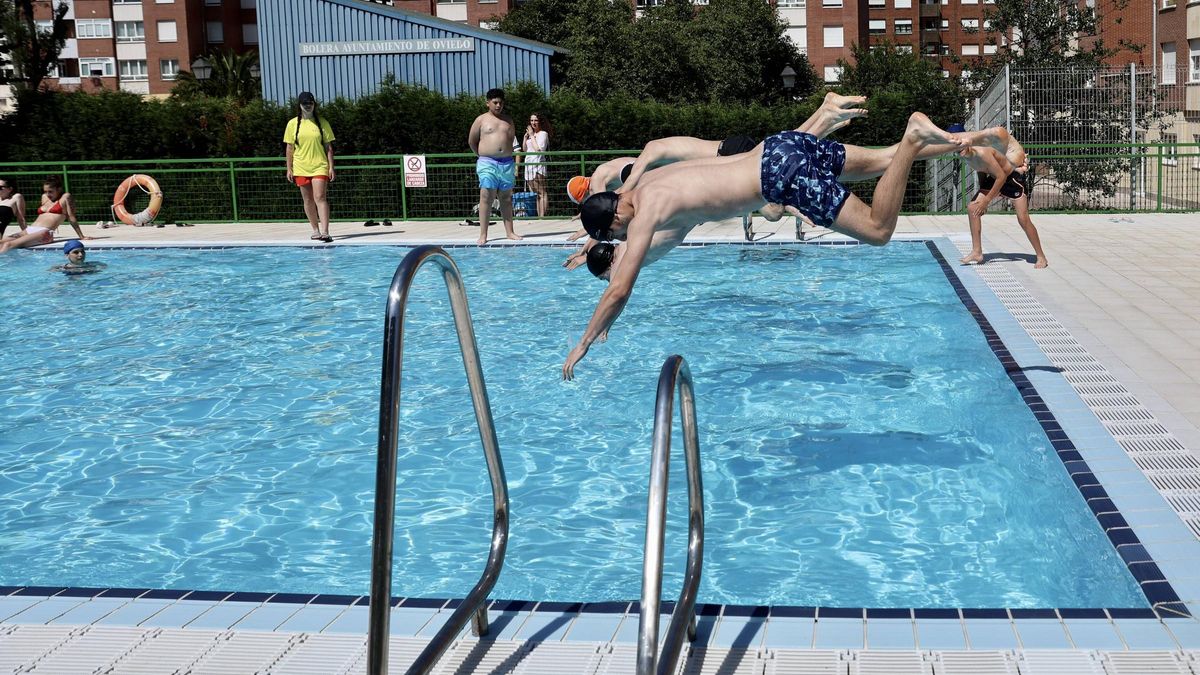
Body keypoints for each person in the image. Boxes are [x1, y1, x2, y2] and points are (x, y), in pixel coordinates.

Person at [561, 112, 960, 380]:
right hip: (781, 145)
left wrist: (585, 340)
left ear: (616, 219)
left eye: (615, 236)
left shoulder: (646, 213)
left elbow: (621, 287)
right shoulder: (646, 183)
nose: (621, 241)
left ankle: (913, 137)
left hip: (779, 174)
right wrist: (605, 307)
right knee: (880, 161)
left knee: (878, 230)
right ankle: (972, 143)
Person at [955, 140, 1048, 269]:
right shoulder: (967, 156)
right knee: (972, 208)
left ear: (968, 143)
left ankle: (1041, 256)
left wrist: (986, 201)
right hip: (994, 179)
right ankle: (977, 252)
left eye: (961, 146)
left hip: (1011, 179)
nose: (959, 150)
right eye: (956, 148)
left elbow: (1002, 177)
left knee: (1023, 219)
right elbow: (981, 171)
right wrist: (983, 193)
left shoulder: (983, 152)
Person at [468, 88, 522, 245]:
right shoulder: (481, 120)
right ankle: (483, 234)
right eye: (495, 102)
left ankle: (510, 232)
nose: (498, 105)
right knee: (486, 195)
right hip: (487, 162)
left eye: (501, 103)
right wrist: (481, 155)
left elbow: (510, 139)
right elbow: (472, 141)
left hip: (506, 163)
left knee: (506, 198)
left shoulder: (508, 120)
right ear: (488, 103)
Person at [284, 91, 336, 243]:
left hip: (320, 165)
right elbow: (289, 148)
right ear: (299, 105)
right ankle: (315, 229)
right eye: (305, 104)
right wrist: (289, 168)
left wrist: (331, 167)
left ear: (314, 104)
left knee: (320, 197)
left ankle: (325, 231)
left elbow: (328, 147)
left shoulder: (322, 122)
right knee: (307, 200)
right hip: (300, 166)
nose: (308, 106)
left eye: (310, 103)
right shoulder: (292, 124)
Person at [0, 176, 91, 254]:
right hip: (30, 230)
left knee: (8, 245)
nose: (47, 194)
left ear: (58, 189)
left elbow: (71, 217)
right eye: (45, 191)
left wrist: (81, 236)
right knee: (1, 242)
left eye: (50, 191)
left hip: (45, 233)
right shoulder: (44, 197)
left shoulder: (65, 197)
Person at [523, 112, 553, 217]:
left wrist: (532, 135)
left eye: (535, 120)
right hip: (529, 166)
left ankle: (542, 216)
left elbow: (538, 150)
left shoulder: (543, 134)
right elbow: (525, 150)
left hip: (538, 165)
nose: (533, 122)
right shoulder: (532, 135)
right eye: (531, 120)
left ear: (540, 121)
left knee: (542, 192)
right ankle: (539, 217)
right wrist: (525, 138)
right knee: (536, 194)